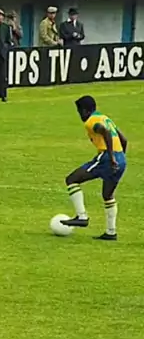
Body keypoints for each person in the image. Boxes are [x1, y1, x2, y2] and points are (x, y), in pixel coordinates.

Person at [60, 96, 127, 241]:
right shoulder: (104, 118)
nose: (80, 115)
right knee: (108, 195)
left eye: (79, 111)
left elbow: (105, 132)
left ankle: (82, 216)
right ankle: (111, 232)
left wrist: (112, 157)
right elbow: (124, 139)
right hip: (121, 159)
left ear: (85, 111)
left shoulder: (91, 121)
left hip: (107, 158)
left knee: (71, 179)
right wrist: (120, 157)